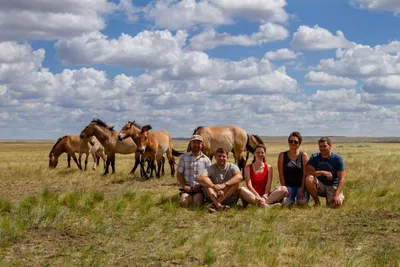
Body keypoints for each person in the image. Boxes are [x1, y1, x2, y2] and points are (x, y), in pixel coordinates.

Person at [198, 148, 243, 212]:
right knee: (206, 183)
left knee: (236, 183)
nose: (221, 158)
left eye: (224, 156)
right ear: (215, 157)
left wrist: (224, 185)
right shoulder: (211, 168)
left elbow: (240, 177)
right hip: (215, 195)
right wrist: (213, 186)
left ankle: (215, 205)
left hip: (228, 196)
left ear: (227, 157)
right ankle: (219, 206)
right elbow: (200, 178)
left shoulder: (232, 166)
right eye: (219, 156)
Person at [305, 137, 345, 208]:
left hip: (332, 186)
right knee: (309, 179)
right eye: (320, 146)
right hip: (320, 186)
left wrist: (336, 195)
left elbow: (341, 179)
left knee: (335, 205)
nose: (322, 148)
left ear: (330, 146)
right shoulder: (315, 157)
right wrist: (322, 172)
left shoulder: (338, 159)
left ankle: (337, 197)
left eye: (324, 146)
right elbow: (309, 173)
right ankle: (317, 203)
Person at [176, 135, 211, 207]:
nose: (196, 145)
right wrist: (184, 186)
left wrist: (200, 185)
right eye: (194, 143)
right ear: (190, 144)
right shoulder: (184, 157)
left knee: (197, 204)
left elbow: (209, 176)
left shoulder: (206, 160)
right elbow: (179, 174)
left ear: (202, 145)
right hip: (187, 188)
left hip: (200, 189)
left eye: (198, 143)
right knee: (184, 203)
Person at [278, 132, 309, 206]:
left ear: (299, 143)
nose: (293, 143)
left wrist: (302, 189)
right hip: (288, 186)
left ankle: (301, 196)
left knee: (302, 202)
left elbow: (305, 174)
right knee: (286, 203)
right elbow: (281, 173)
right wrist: (284, 188)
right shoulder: (282, 155)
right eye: (291, 141)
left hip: (300, 186)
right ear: (288, 142)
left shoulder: (303, 155)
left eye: (296, 142)